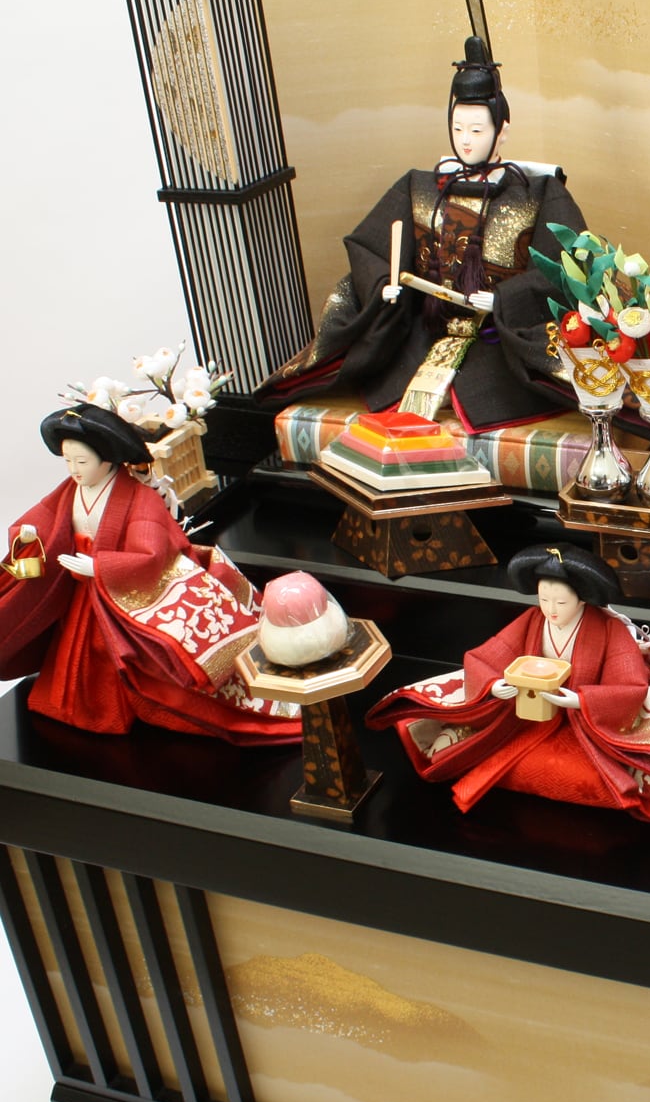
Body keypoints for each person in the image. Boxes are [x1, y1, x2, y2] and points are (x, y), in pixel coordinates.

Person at [257, 36, 587, 431]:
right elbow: (370, 246)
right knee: (395, 387)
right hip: (425, 329)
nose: (466, 140)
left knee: (497, 386)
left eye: (477, 129)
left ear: (502, 131)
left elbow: (566, 265)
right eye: (458, 128)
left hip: (499, 338)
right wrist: (384, 284)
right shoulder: (421, 186)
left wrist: (505, 298)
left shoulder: (537, 193)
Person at [0, 404, 300, 744]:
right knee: (75, 651)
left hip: (119, 595)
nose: (74, 470)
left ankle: (124, 704)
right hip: (82, 590)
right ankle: (74, 705)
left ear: (107, 459)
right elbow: (44, 518)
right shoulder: (70, 490)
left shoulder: (139, 497)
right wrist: (30, 534)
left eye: (81, 462)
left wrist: (100, 567)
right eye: (68, 461)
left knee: (119, 655)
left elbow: (153, 552)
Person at [366, 543, 650, 825]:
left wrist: (580, 701)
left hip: (590, 726)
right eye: (543, 599)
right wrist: (495, 685)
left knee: (614, 775)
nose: (551, 609)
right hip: (527, 715)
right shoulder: (533, 620)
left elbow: (628, 683)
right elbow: (488, 655)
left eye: (560, 602)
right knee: (460, 746)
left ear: (582, 598)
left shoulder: (608, 628)